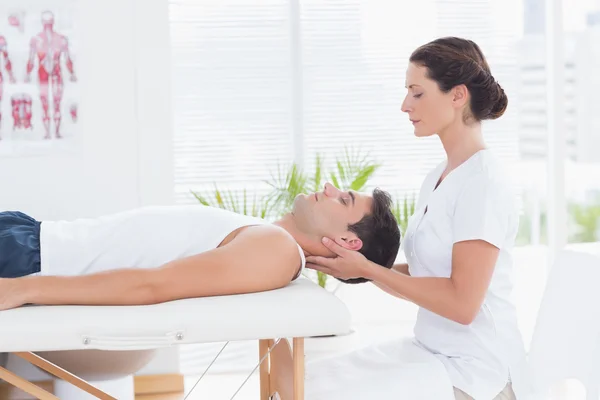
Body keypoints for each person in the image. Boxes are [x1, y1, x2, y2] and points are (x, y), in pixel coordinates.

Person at [279, 37, 532, 400]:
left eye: (417, 93)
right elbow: (430, 275)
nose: (405, 105)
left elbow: (462, 304)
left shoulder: (483, 184)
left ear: (457, 96)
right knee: (311, 380)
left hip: (477, 372)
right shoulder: (439, 178)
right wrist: (355, 268)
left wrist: (369, 270)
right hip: (431, 351)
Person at [0, 182, 400, 311]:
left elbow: (154, 285)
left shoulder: (277, 253)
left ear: (349, 241)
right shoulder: (266, 235)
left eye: (343, 199)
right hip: (31, 235)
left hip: (29, 258)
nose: (328, 187)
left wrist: (25, 288)